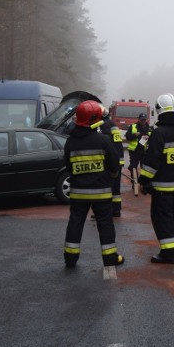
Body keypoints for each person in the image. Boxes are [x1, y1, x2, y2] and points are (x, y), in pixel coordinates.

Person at [63, 100, 124, 268]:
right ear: (94, 118)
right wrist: (109, 177)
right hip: (101, 193)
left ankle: (70, 258)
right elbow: (114, 167)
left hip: (78, 193)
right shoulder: (103, 140)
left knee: (75, 223)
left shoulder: (70, 142)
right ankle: (110, 257)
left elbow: (69, 167)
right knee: (105, 224)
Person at [139, 93, 174, 264]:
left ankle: (169, 253)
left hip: (162, 188)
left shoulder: (159, 133)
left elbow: (152, 162)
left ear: (158, 110)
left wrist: (144, 181)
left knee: (163, 218)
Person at [99, 105, 125, 216]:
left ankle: (104, 211)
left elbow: (104, 144)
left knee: (105, 187)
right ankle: (116, 210)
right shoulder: (112, 124)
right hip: (118, 160)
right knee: (116, 188)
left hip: (110, 161)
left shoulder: (102, 126)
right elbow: (117, 144)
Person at [125, 111, 152, 189]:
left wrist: (149, 138)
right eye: (141, 119)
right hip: (134, 151)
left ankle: (143, 183)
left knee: (144, 168)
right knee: (133, 167)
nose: (143, 121)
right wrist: (135, 135)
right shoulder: (133, 126)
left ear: (146, 120)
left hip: (144, 152)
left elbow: (153, 140)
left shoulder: (150, 129)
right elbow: (128, 137)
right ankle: (134, 183)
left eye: (144, 119)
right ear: (139, 119)